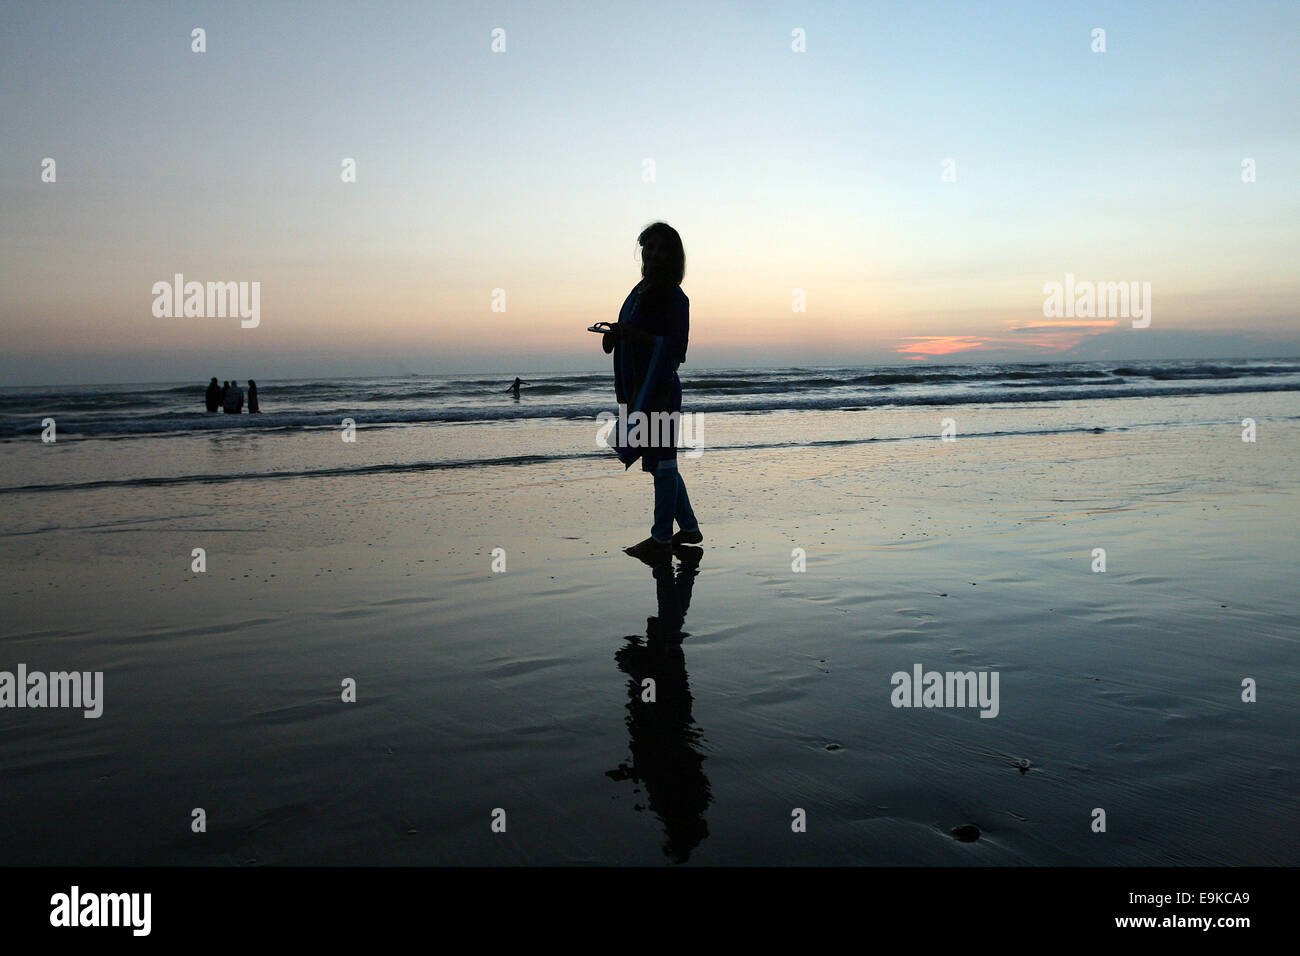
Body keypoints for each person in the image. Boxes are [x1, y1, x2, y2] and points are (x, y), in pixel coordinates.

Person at [602, 222, 702, 559]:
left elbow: (676, 350)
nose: (655, 254)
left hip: (660, 389)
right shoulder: (640, 291)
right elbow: (633, 337)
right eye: (650, 247)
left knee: (663, 462)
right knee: (660, 461)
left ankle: (660, 538)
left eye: (663, 249)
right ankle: (688, 527)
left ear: (673, 256)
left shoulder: (675, 298)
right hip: (639, 390)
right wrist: (616, 336)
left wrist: (633, 335)